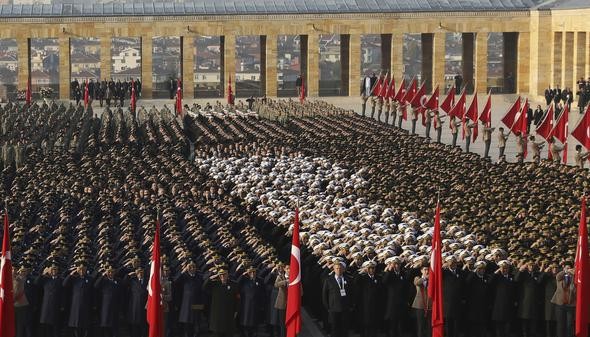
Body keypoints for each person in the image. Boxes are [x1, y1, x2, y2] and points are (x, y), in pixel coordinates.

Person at [203, 267, 239, 337]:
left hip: (229, 314)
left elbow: (237, 299)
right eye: (221, 274)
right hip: (217, 316)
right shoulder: (214, 284)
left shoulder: (233, 284)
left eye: (224, 274)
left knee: (229, 333)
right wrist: (211, 277)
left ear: (228, 274)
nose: (222, 276)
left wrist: (236, 310)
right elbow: (204, 287)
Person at [322, 260, 352, 337]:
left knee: (344, 329)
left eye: (340, 268)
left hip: (345, 309)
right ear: (334, 269)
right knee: (334, 329)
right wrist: (328, 307)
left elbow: (352, 293)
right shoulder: (328, 280)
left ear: (343, 269)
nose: (338, 270)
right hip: (334, 309)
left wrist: (350, 306)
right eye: (337, 268)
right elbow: (324, 295)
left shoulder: (348, 279)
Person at [62, 264, 93, 337]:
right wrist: (71, 274)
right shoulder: (74, 278)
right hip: (75, 304)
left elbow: (93, 291)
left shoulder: (89, 278)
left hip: (86, 304)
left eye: (83, 269)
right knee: (75, 324)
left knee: (85, 324)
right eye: (80, 269)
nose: (82, 271)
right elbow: (64, 284)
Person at [175, 262, 205, 337]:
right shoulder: (184, 276)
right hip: (187, 304)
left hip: (197, 303)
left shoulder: (199, 277)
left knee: (197, 323)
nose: (192, 269)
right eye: (190, 267)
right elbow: (175, 281)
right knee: (187, 325)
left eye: (194, 267)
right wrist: (183, 270)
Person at [382, 257, 409, 337]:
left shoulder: (403, 273)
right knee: (393, 324)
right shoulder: (389, 273)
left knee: (400, 324)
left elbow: (406, 287)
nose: (397, 266)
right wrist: (389, 270)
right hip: (392, 303)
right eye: (395, 264)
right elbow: (384, 281)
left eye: (398, 264)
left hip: (401, 303)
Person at [36, 264, 63, 337]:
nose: (53, 271)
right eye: (52, 269)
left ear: (58, 270)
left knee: (55, 329)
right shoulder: (45, 279)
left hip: (56, 307)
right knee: (46, 329)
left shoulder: (61, 280)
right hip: (46, 307)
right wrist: (43, 274)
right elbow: (36, 283)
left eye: (55, 269)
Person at [355, 261, 381, 337]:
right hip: (365, 305)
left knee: (374, 325)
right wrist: (361, 272)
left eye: (373, 268)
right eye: (369, 268)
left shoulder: (378, 277)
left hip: (375, 305)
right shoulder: (362, 278)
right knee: (366, 325)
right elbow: (355, 281)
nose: (371, 270)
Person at [491, 261, 516, 337]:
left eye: (506, 268)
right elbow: (490, 281)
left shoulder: (512, 277)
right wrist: (497, 271)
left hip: (509, 305)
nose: (505, 270)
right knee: (499, 327)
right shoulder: (497, 277)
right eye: (503, 268)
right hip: (499, 306)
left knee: (507, 326)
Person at [465, 261, 490, 337]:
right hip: (473, 306)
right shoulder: (472, 278)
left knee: (483, 325)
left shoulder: (486, 277)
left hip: (484, 306)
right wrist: (474, 272)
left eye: (483, 269)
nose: (482, 270)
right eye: (479, 268)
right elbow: (467, 282)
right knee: (473, 325)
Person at [94, 266, 121, 337]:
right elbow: (95, 286)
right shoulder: (103, 280)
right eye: (109, 272)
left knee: (114, 327)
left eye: (112, 272)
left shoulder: (118, 280)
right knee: (105, 327)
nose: (110, 273)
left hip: (115, 307)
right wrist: (102, 275)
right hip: (105, 307)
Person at [238, 266, 265, 337]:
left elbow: (263, 292)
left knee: (254, 322)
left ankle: (253, 334)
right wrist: (243, 274)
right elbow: (237, 283)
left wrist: (262, 304)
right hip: (246, 304)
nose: (252, 273)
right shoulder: (244, 280)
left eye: (254, 271)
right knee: (246, 322)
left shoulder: (260, 280)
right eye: (250, 272)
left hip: (256, 304)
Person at [551, 263, 575, 337]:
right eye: (566, 268)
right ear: (563, 268)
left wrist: (573, 273)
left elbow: (574, 286)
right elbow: (557, 277)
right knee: (560, 324)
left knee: (569, 325)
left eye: (569, 268)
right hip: (560, 304)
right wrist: (565, 271)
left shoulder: (573, 276)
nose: (568, 270)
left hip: (570, 304)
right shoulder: (560, 275)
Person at [126, 267, 148, 337]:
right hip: (134, 307)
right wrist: (129, 275)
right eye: (138, 272)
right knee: (135, 327)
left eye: (141, 272)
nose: (140, 273)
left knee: (143, 327)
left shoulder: (147, 281)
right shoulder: (133, 281)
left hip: (145, 306)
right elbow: (123, 283)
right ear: (136, 273)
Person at [412, 265, 431, 337]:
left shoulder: (431, 279)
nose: (427, 271)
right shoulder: (417, 278)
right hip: (420, 305)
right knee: (421, 326)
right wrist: (424, 278)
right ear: (421, 271)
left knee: (429, 326)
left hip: (429, 304)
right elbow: (417, 283)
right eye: (425, 270)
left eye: (428, 270)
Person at [273, 264, 289, 337]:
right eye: (288, 268)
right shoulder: (280, 277)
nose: (289, 270)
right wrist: (285, 281)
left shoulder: (295, 278)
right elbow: (276, 284)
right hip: (282, 304)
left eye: (290, 268)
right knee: (282, 324)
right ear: (285, 269)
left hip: (291, 304)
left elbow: (301, 292)